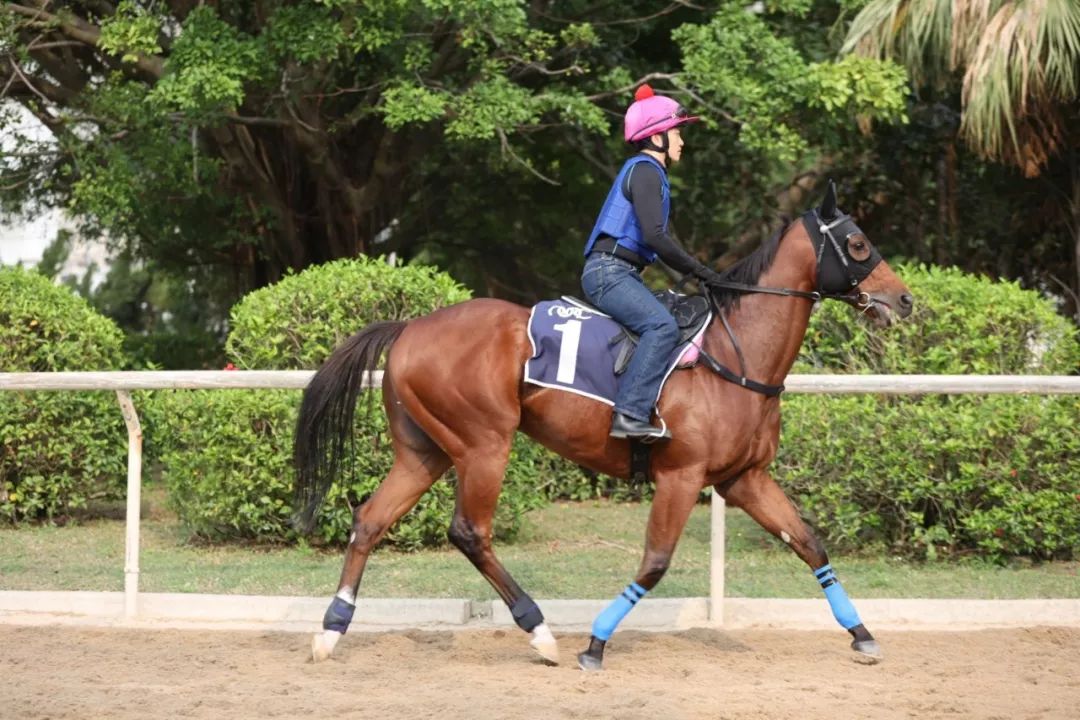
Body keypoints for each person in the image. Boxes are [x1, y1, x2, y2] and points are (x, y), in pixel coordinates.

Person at [582, 84, 720, 441]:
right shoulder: (644, 171)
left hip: (618, 271)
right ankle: (628, 415)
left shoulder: (648, 172)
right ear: (656, 136)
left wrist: (694, 275)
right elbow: (657, 237)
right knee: (662, 327)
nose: (681, 141)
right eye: (676, 132)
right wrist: (702, 272)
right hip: (608, 273)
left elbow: (654, 243)